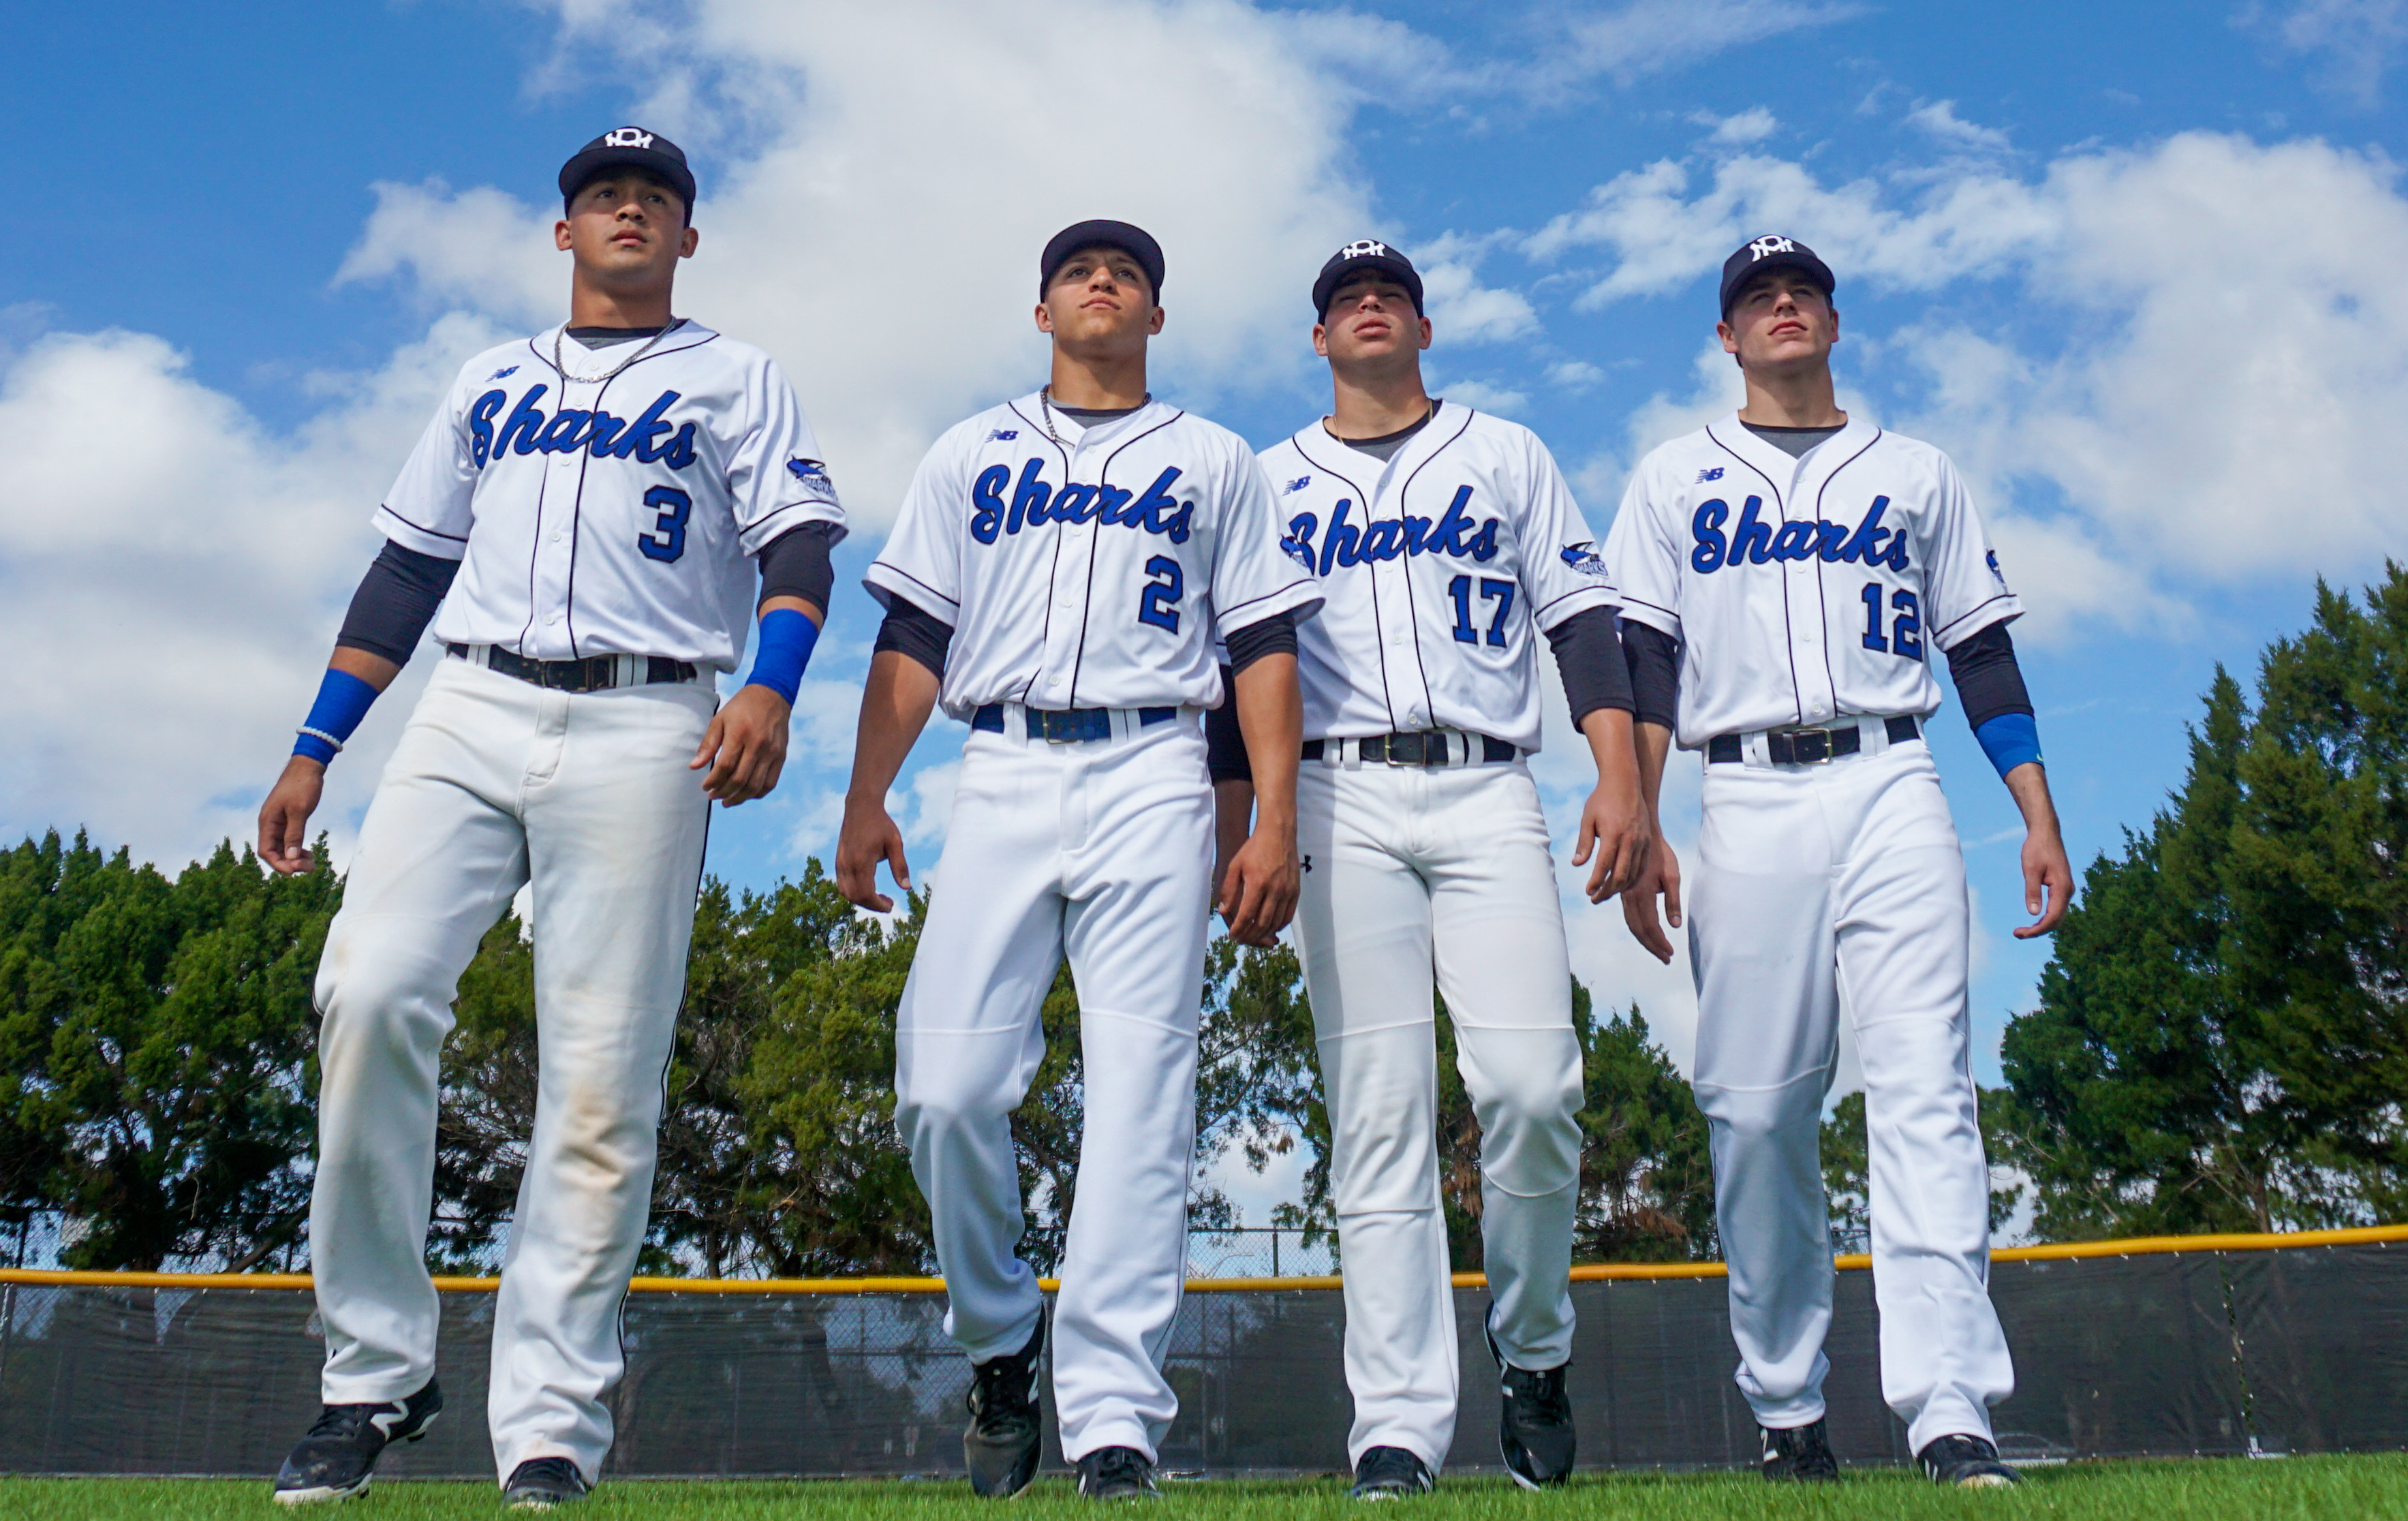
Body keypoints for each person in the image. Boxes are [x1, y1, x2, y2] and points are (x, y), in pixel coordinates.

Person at [258, 129, 846, 1509]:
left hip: (650, 720)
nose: (627, 206)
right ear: (564, 231)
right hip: (467, 705)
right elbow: (408, 565)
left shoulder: (737, 374)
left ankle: (550, 1422)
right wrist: (312, 744)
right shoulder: (491, 376)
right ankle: (374, 1371)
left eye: (654, 196)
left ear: (688, 237)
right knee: (368, 989)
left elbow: (802, 546)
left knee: (597, 1080)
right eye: (601, 194)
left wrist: (768, 686)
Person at [834, 221, 1321, 1501]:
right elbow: (912, 629)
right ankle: (1001, 1338)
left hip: (1155, 764)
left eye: (1130, 276)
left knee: (1142, 1099)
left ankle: (1114, 1417)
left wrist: (1272, 818)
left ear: (1156, 319)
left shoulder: (1214, 457)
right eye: (1078, 273)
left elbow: (1263, 647)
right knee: (941, 1085)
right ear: (1040, 310)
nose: (1103, 283)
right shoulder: (969, 451)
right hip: (998, 764)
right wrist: (865, 797)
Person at [1605, 235, 2073, 1490]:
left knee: (1927, 1087)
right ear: (1728, 338)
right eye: (1758, 298)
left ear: (1832, 318)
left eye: (1800, 289)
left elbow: (1979, 651)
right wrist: (1639, 816)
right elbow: (1644, 662)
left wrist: (2035, 809)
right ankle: (1786, 1399)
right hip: (1744, 792)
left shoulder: (1916, 472)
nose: (1782, 306)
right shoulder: (1670, 478)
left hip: (1892, 775)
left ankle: (1949, 1404)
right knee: (1756, 1112)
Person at [1209, 241, 1648, 1498]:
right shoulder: (1263, 477)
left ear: (1423, 325)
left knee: (1531, 1086)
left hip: (1487, 784)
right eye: (1346, 297)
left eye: (1388, 293)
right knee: (1380, 1115)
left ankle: (1536, 1349)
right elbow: (1236, 665)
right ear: (1318, 338)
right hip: (1337, 795)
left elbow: (1582, 622)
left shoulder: (1508, 453)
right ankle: (1395, 1422)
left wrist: (1617, 774)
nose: (1367, 305)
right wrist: (1247, 822)